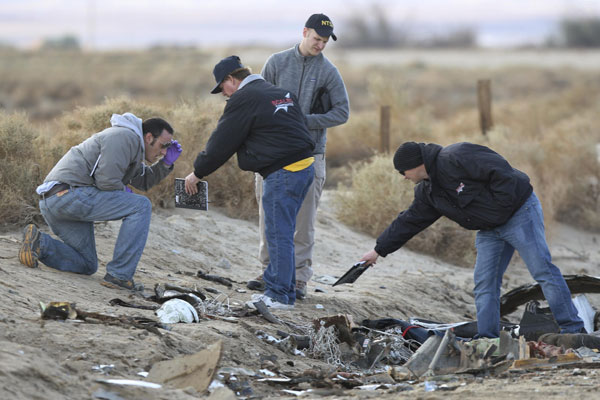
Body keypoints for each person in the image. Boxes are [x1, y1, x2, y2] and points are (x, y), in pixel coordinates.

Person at [359, 141, 585, 338]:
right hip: (489, 230)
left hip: (519, 214)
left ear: (416, 164)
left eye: (403, 172)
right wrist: (378, 250)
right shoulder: (428, 192)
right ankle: (488, 339)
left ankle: (573, 330)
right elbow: (409, 221)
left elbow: (501, 172)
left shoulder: (457, 155)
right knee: (484, 284)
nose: (403, 177)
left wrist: (502, 210)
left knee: (542, 271)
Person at [184, 56, 315, 310]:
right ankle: (284, 292)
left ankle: (277, 296)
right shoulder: (281, 92)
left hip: (283, 172)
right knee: (284, 232)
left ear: (231, 80)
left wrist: (197, 173)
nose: (224, 94)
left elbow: (222, 142)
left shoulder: (244, 98)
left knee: (278, 234)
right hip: (304, 168)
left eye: (222, 88)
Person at [19, 113, 182, 291]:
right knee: (141, 206)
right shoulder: (124, 137)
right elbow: (106, 181)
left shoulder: (133, 149)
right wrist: (122, 190)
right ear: (149, 137)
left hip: (56, 202)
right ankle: (119, 276)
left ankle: (39, 243)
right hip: (69, 194)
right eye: (163, 146)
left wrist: (165, 164)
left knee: (87, 264)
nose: (164, 151)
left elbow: (144, 181)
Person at [249, 13, 350, 299]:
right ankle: (269, 272)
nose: (320, 45)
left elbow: (342, 112)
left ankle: (300, 278)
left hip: (311, 156)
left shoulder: (329, 72)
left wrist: (303, 120)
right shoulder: (276, 63)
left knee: (303, 223)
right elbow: (258, 102)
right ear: (304, 32)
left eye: (325, 41)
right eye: (317, 38)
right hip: (273, 157)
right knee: (268, 217)